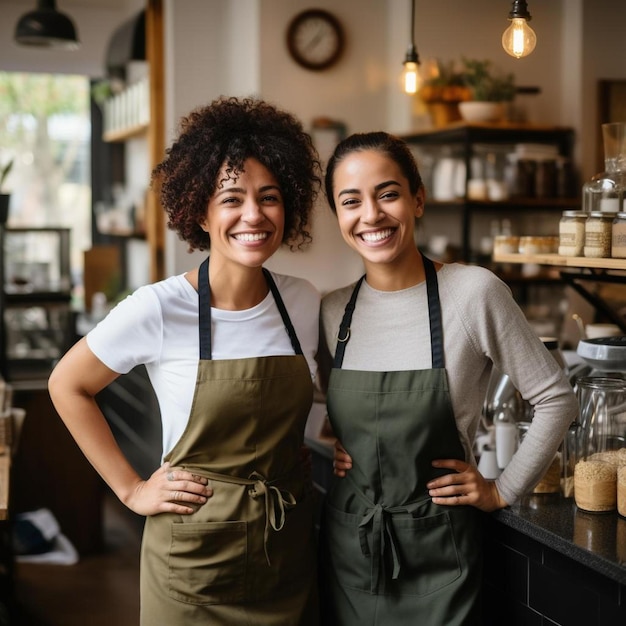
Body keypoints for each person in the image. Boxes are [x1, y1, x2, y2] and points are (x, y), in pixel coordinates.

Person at [48, 96, 322, 625]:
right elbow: (67, 384)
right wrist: (131, 489)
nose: (253, 215)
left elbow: (322, 396)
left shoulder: (303, 300)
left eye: (269, 197)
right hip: (193, 567)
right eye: (232, 199)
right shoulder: (160, 306)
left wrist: (339, 443)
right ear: (199, 209)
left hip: (285, 553)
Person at [317, 131, 578, 625]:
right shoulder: (334, 311)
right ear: (338, 215)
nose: (370, 215)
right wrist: (337, 438)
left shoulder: (472, 292)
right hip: (351, 544)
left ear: (418, 198)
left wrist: (503, 489)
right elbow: (322, 401)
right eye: (351, 201)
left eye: (388, 193)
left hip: (440, 550)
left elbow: (556, 398)